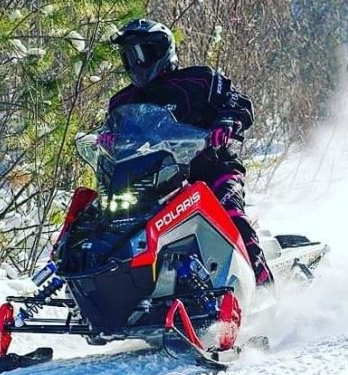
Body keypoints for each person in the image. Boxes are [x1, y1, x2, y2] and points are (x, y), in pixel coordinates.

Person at [107, 19, 271, 286]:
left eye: (141, 53)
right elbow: (113, 133)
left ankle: (263, 284)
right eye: (129, 56)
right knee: (109, 229)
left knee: (229, 212)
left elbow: (237, 102)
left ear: (161, 50)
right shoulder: (122, 101)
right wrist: (105, 140)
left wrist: (227, 122)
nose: (136, 62)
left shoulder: (198, 80)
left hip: (210, 171)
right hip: (152, 184)